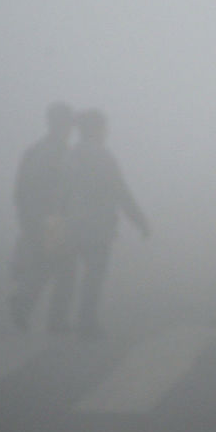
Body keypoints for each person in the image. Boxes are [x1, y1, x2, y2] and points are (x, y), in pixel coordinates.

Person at [49, 109, 151, 338]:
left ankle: (56, 319)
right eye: (104, 127)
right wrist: (140, 220)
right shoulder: (103, 157)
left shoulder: (70, 155)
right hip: (97, 227)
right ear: (96, 129)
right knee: (93, 276)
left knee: (66, 274)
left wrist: (56, 222)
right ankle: (86, 322)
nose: (107, 132)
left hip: (70, 225)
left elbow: (59, 193)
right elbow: (120, 191)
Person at [8, 101, 74, 331]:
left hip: (34, 217)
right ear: (63, 124)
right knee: (64, 268)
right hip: (54, 220)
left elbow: (19, 188)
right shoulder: (62, 153)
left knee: (42, 266)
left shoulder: (33, 150)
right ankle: (54, 319)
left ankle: (23, 304)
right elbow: (66, 189)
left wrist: (24, 217)